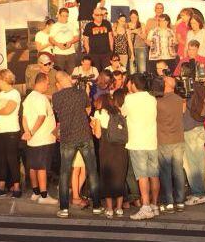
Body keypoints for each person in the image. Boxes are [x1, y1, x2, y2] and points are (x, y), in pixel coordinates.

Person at [52, 71, 103, 218]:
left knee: (64, 173)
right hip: (84, 135)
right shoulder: (81, 93)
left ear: (58, 83)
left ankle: (64, 208)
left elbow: (59, 111)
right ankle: (97, 206)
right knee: (92, 171)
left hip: (67, 138)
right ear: (69, 78)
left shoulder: (56, 96)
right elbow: (87, 110)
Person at [121, 73, 160, 220]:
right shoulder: (152, 98)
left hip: (137, 142)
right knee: (154, 175)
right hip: (152, 141)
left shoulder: (129, 99)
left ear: (133, 84)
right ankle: (154, 205)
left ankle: (145, 207)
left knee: (142, 176)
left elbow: (123, 113)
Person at [22, 73, 58, 205]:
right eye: (47, 84)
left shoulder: (28, 98)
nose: (48, 86)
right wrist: (31, 132)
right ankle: (43, 195)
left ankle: (36, 192)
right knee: (42, 166)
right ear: (41, 82)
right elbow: (41, 117)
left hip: (33, 139)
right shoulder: (41, 98)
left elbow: (24, 118)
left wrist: (27, 132)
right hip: (43, 138)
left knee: (33, 166)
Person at [91, 90, 128, 218]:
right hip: (120, 148)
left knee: (107, 177)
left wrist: (93, 125)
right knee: (120, 176)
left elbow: (98, 134)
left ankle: (110, 208)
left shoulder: (99, 113)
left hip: (106, 148)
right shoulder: (118, 111)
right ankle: (119, 208)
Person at [0, 69, 22, 198]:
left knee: (12, 158)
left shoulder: (14, 93)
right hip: (0, 130)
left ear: (4, 79)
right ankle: (1, 186)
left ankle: (16, 187)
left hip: (11, 130)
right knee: (1, 159)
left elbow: (8, 110)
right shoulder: (0, 94)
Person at [156, 77, 186, 213]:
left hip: (164, 139)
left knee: (165, 172)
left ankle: (169, 201)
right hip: (178, 138)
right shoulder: (179, 100)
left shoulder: (158, 101)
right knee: (178, 170)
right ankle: (180, 201)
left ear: (165, 85)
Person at [183, 79, 205, 206]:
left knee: (191, 164)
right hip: (200, 127)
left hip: (189, 129)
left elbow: (183, 109)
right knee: (199, 162)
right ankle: (198, 191)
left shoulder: (185, 88)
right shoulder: (201, 87)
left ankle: (198, 194)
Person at [49, 8, 79, 74]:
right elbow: (50, 39)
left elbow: (77, 37)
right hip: (59, 54)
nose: (65, 18)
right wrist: (58, 44)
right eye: (63, 16)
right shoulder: (54, 26)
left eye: (66, 16)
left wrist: (70, 42)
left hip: (71, 53)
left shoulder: (71, 25)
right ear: (59, 15)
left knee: (72, 73)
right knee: (59, 73)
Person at [127, 10, 147, 74]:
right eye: (132, 17)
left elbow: (144, 37)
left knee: (142, 69)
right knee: (132, 70)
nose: (133, 19)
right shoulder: (127, 25)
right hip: (131, 48)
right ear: (129, 17)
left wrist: (137, 32)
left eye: (135, 17)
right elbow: (129, 40)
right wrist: (132, 53)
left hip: (141, 48)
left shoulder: (142, 24)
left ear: (137, 17)